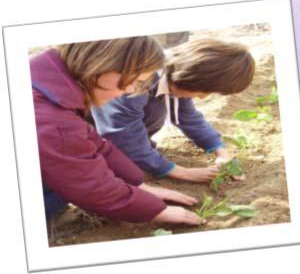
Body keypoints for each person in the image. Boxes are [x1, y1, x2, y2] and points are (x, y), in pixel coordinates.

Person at [31, 37, 204, 225]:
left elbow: (97, 145)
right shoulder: (51, 119)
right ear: (100, 63)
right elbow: (89, 186)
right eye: (131, 79)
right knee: (59, 190)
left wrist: (138, 184)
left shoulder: (49, 86)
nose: (129, 89)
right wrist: (156, 211)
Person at [92, 38, 255, 182]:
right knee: (155, 112)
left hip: (119, 127)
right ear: (191, 78)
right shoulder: (135, 84)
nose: (204, 97)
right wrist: (181, 172)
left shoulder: (174, 74)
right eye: (206, 91)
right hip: (88, 133)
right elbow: (125, 136)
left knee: (156, 111)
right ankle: (105, 155)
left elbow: (187, 116)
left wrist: (221, 152)